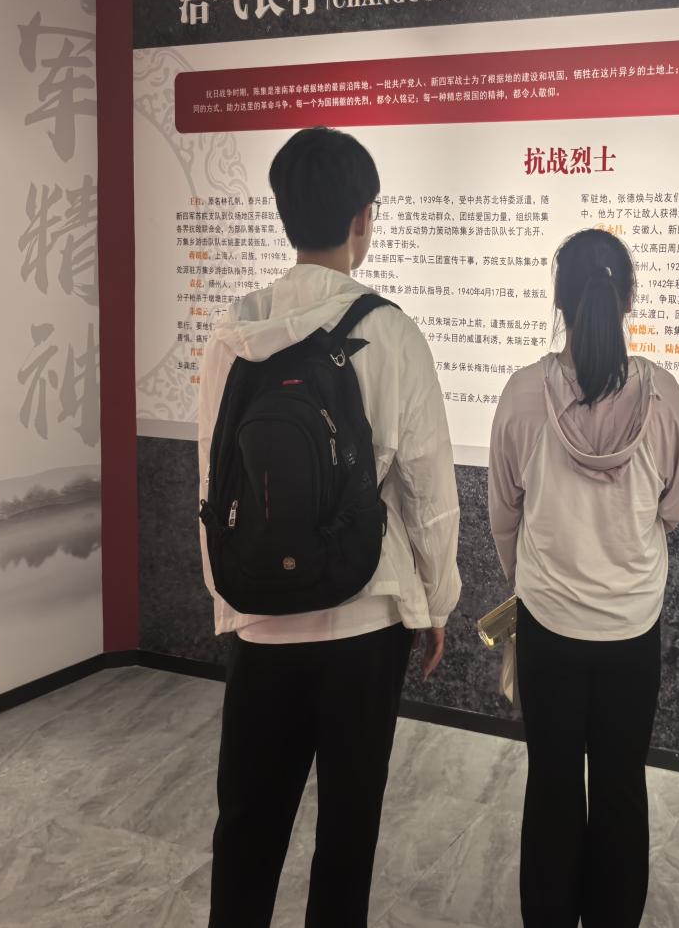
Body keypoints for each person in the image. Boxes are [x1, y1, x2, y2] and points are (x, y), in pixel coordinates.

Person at [196, 126, 461, 927]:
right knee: (347, 832)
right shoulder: (390, 331)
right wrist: (434, 602)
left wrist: (228, 599)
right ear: (361, 218)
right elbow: (426, 486)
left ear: (284, 214)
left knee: (247, 826)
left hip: (261, 622)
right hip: (362, 615)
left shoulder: (232, 333)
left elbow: (213, 477)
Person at [488, 228, 679, 927]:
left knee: (550, 784)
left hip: (548, 624)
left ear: (559, 301)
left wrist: (531, 578)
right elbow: (671, 509)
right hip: (632, 627)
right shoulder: (662, 396)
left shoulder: (523, 393)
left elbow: (503, 515)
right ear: (627, 298)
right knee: (620, 785)